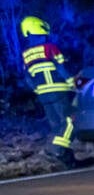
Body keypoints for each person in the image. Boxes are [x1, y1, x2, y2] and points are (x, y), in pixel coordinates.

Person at [20, 15, 77, 169]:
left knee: (57, 126)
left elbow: (27, 78)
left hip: (43, 95)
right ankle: (56, 150)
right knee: (70, 122)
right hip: (58, 90)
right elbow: (61, 68)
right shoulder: (50, 48)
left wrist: (38, 91)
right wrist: (72, 83)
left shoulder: (26, 54)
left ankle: (67, 159)